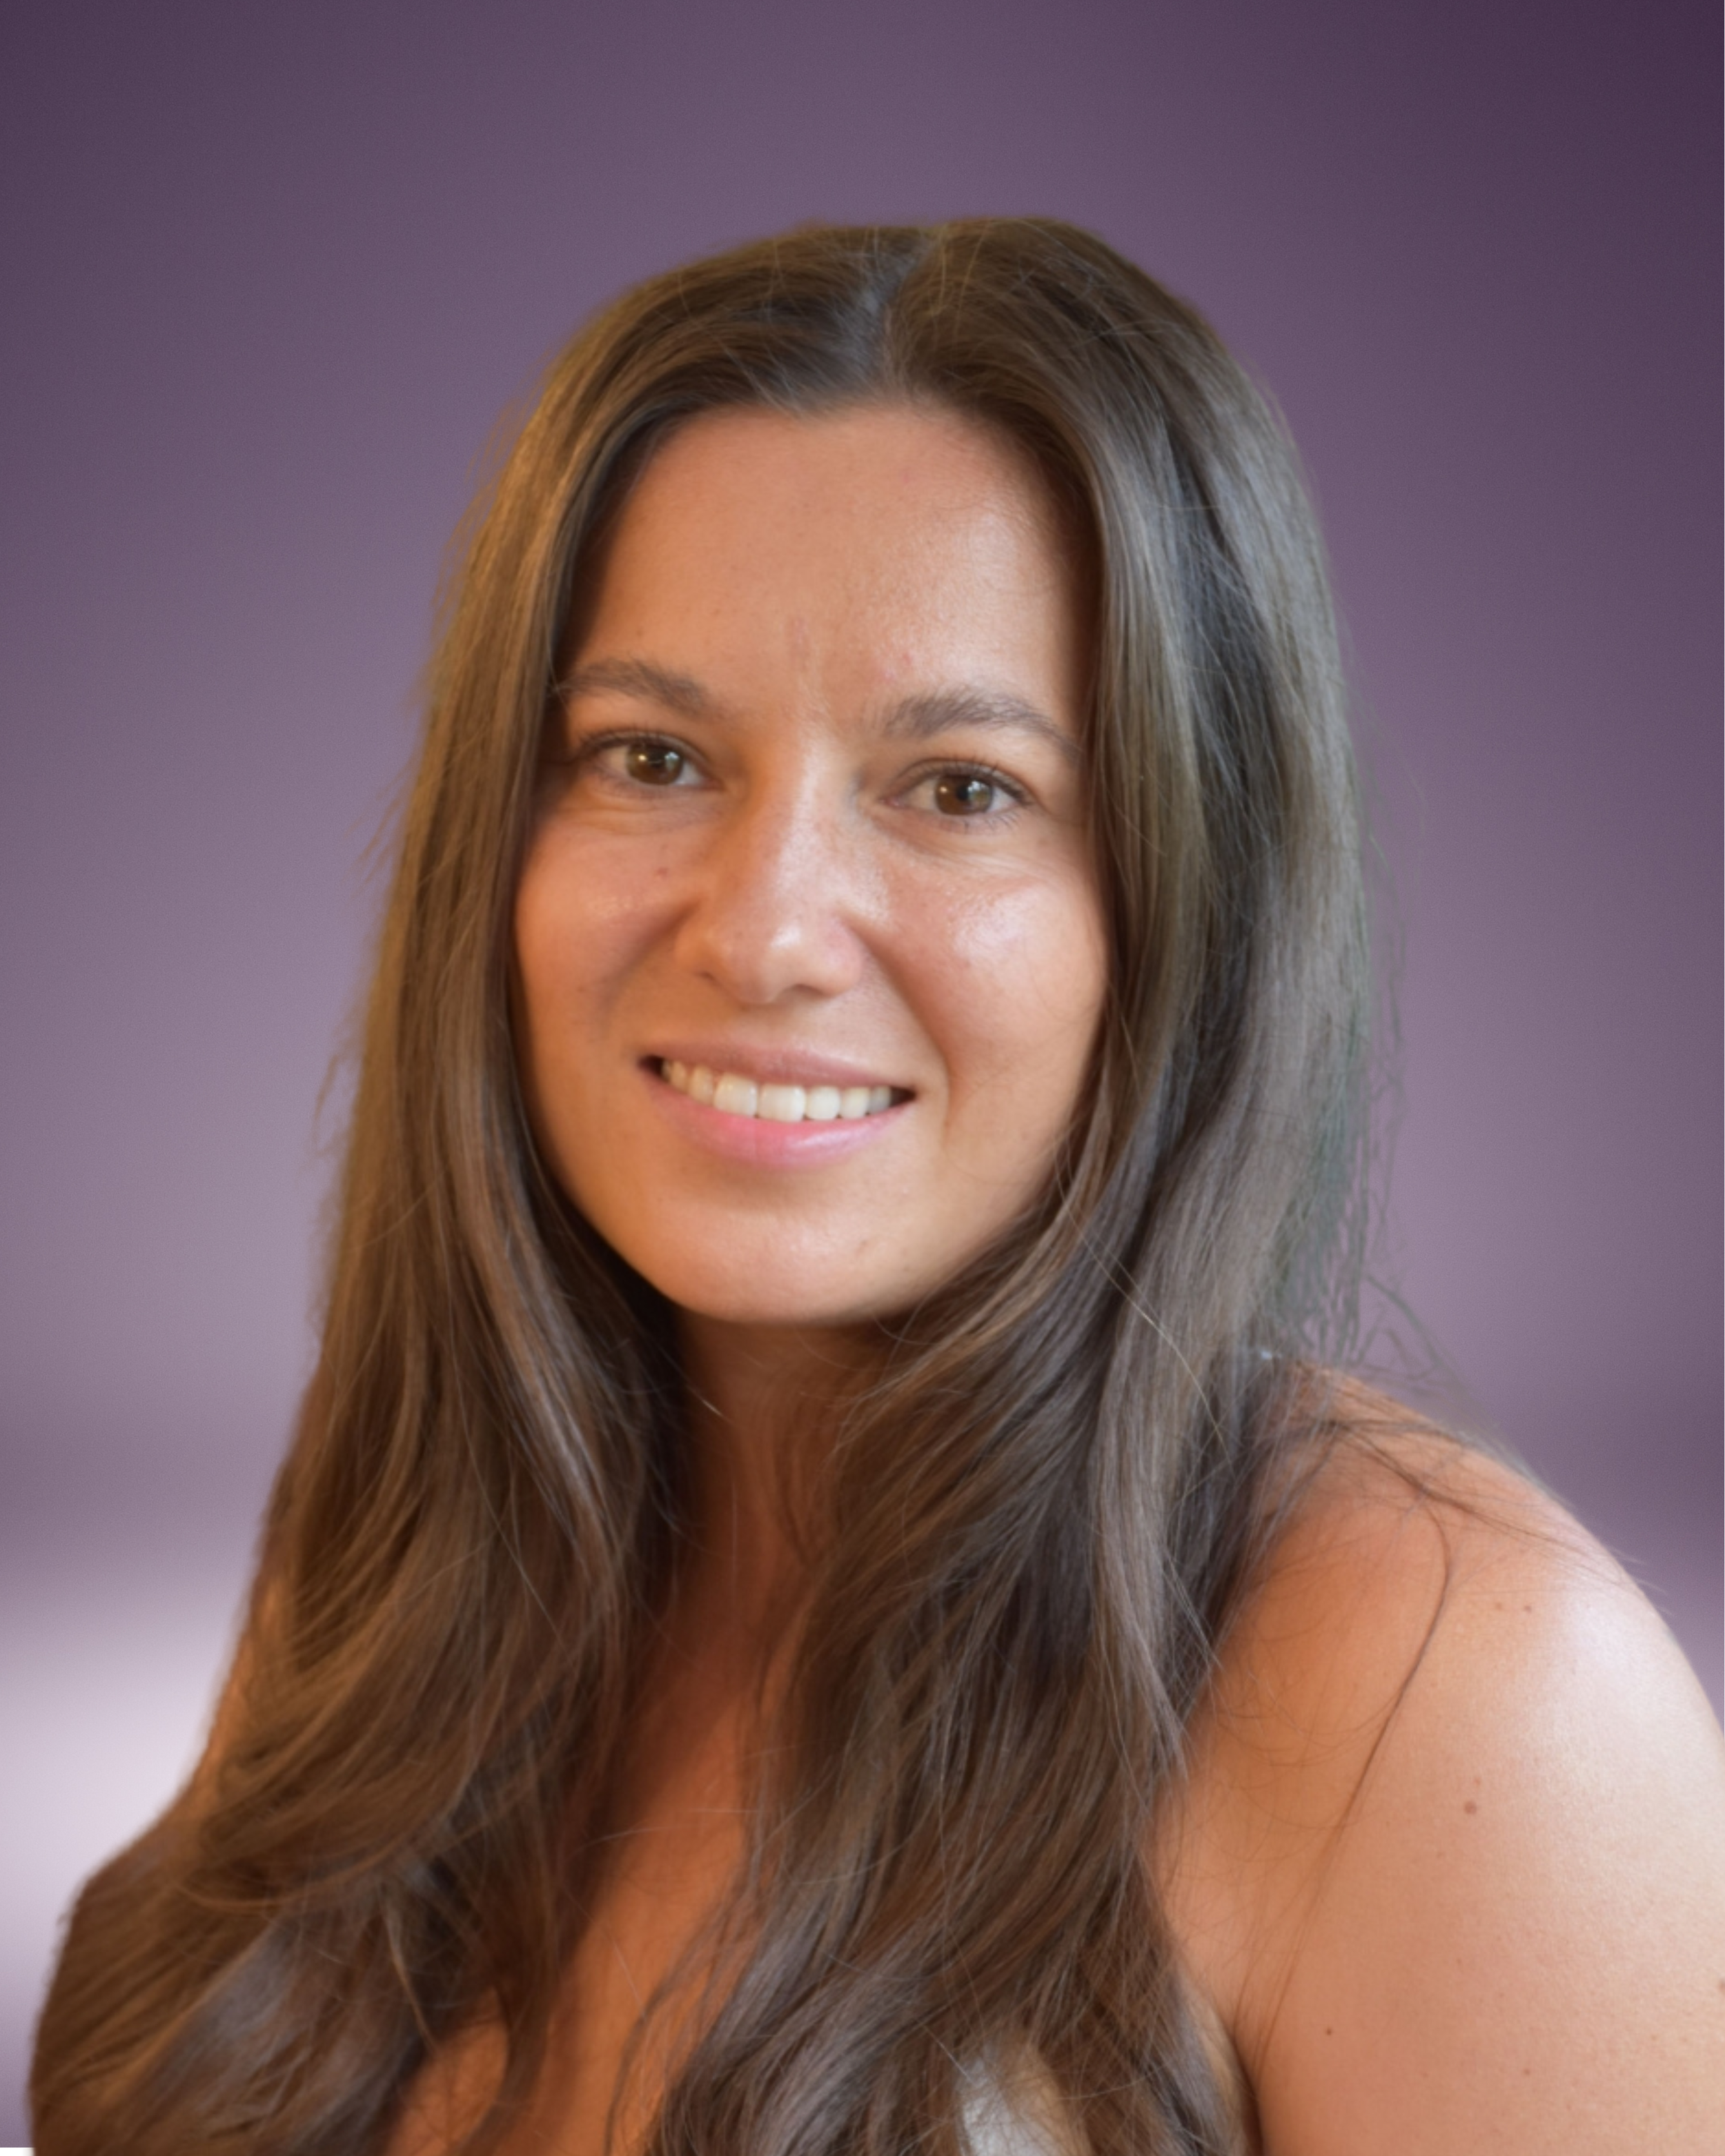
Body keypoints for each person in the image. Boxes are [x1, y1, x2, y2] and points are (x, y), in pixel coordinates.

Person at [30, 219, 1724, 2156]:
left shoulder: (1472, 1701)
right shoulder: (411, 1526)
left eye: (959, 787)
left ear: (1184, 913)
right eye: (649, 756)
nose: (760, 929)